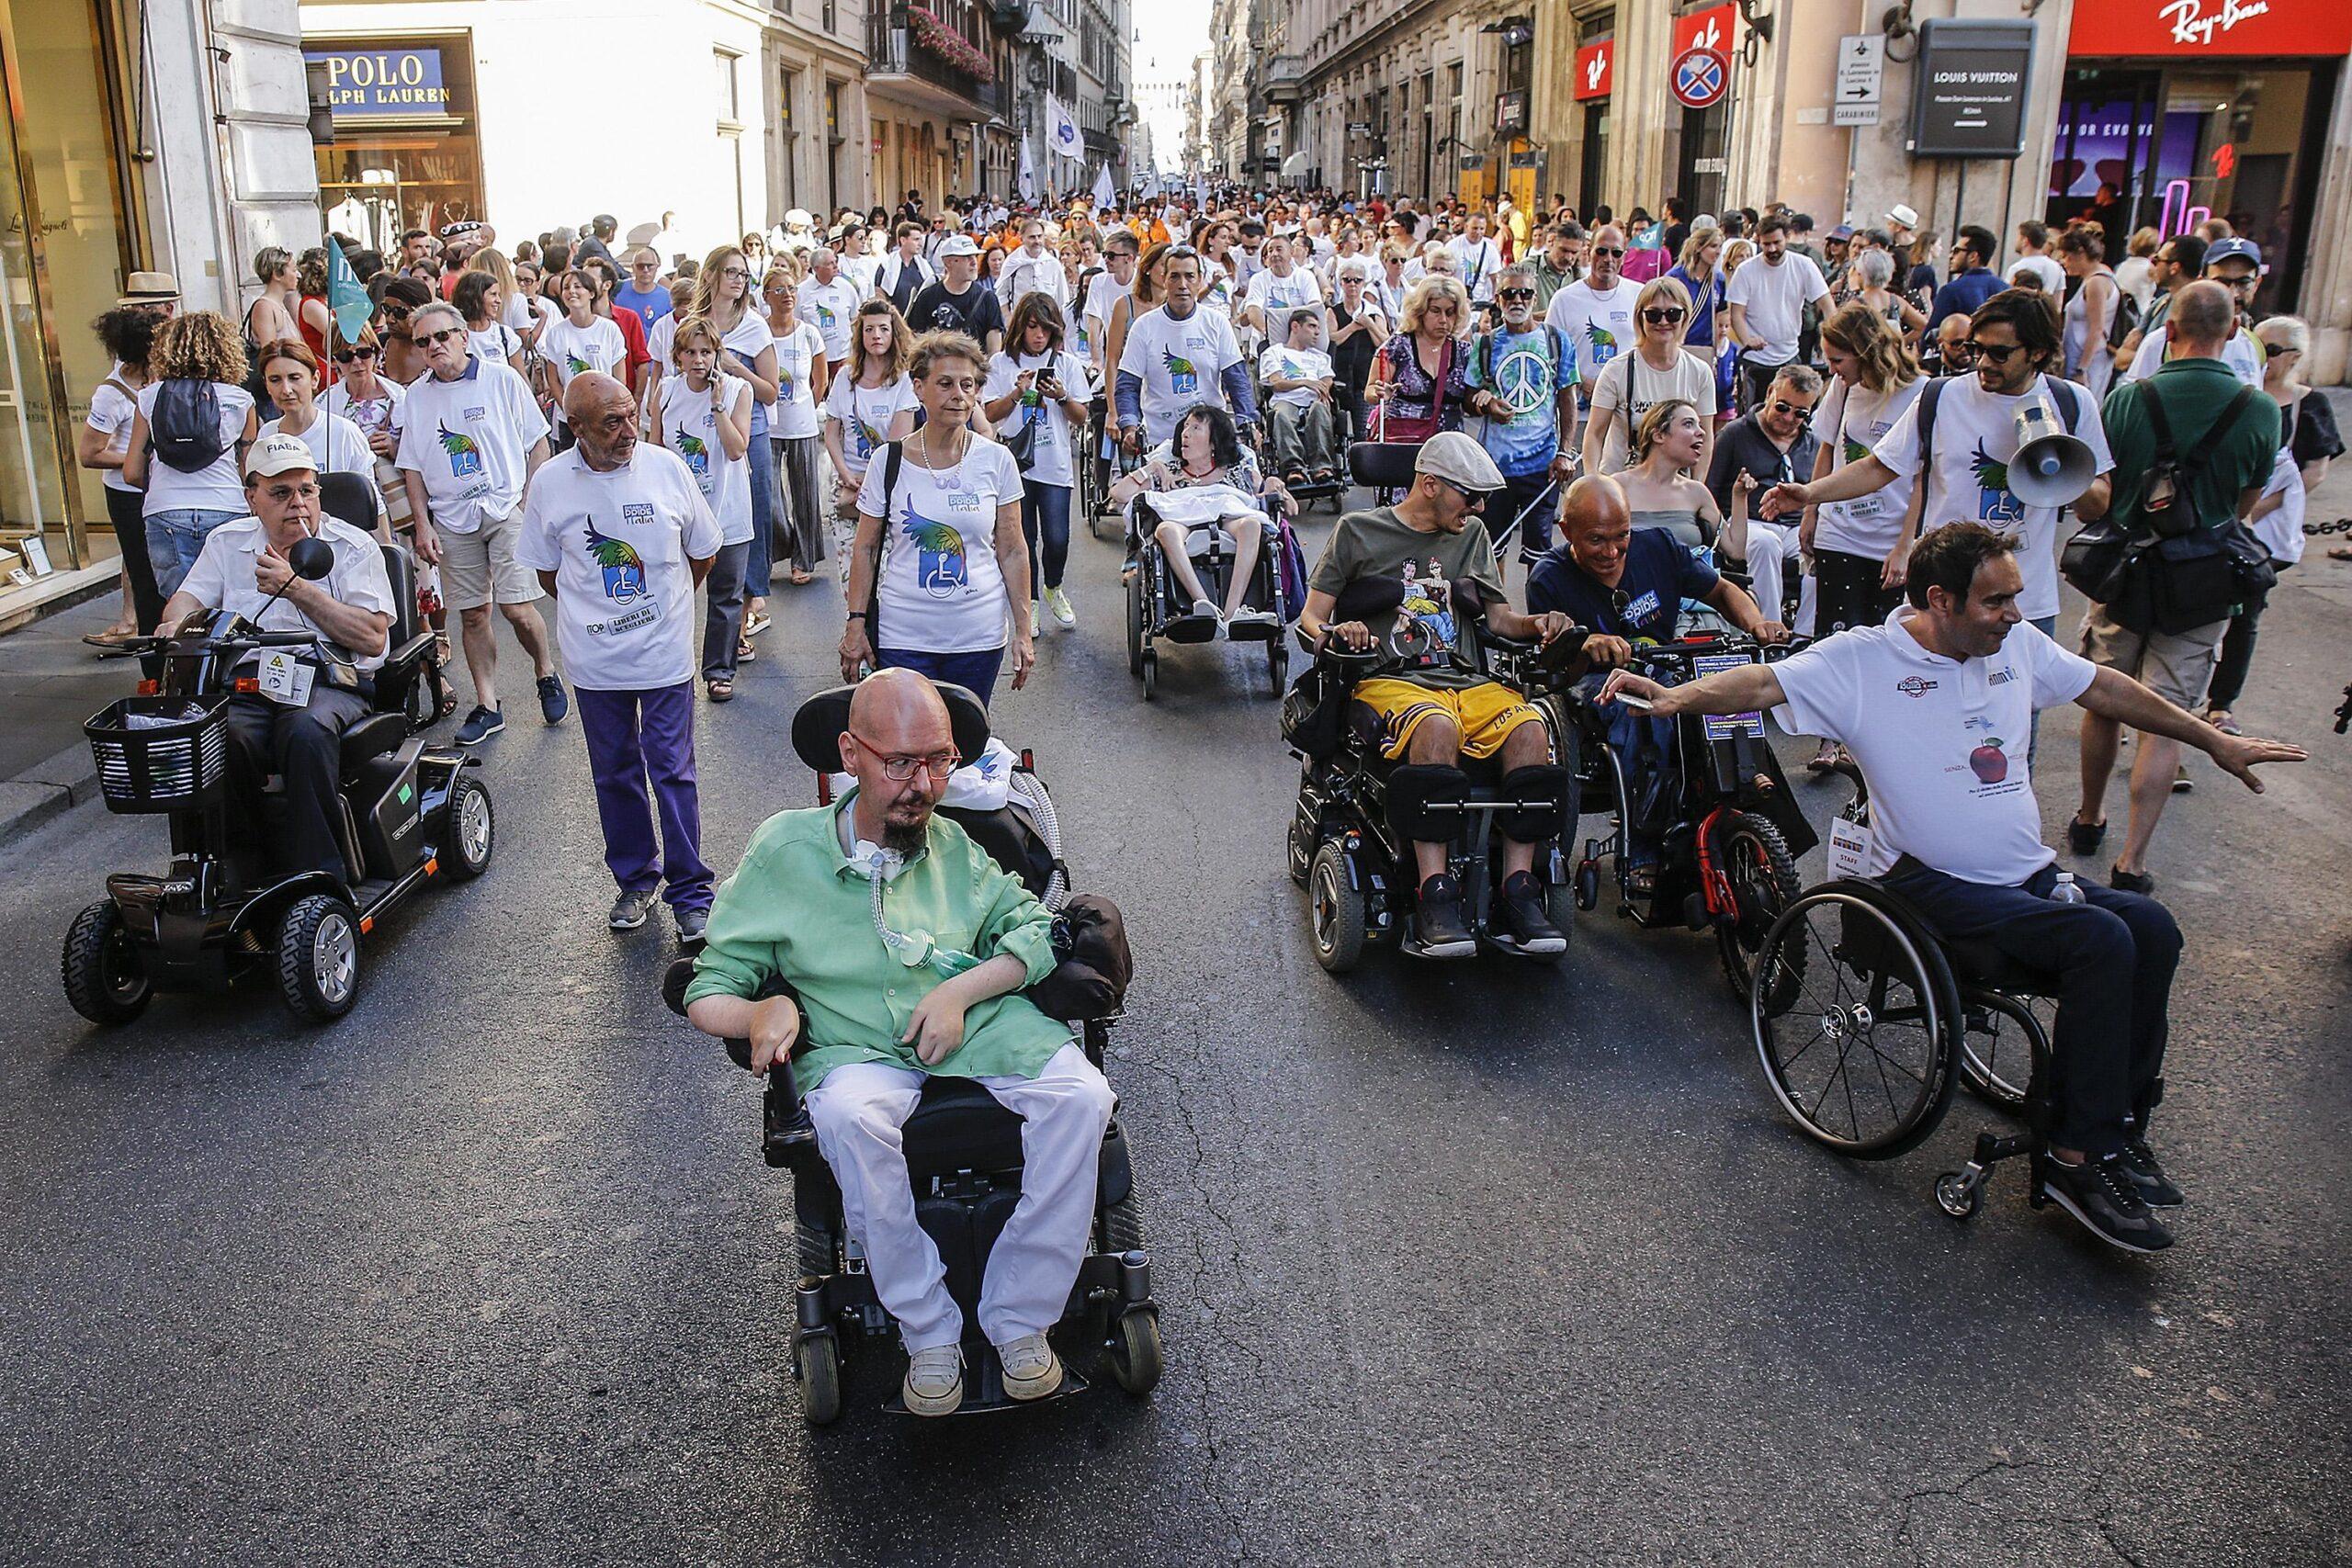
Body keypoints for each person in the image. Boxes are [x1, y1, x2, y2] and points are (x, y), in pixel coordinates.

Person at [1600, 521, 2305, 1253]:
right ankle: (2073, 1157)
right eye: (1997, 601)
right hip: (1928, 888)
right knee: (2102, 939)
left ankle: (2115, 1124)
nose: (2014, 613)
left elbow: (2106, 686)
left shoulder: (2016, 645)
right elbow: (1764, 681)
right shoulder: (1865, 661)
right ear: (1939, 599)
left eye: (2016, 598)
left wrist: (2211, 738)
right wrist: (1679, 696)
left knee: (2153, 928)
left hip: (2023, 874)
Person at [684, 668, 1115, 1416]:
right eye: (901, 763)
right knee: (851, 1119)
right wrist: (761, 1012)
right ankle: (930, 1332)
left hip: (976, 1028)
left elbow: (1035, 929)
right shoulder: (785, 851)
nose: (925, 783)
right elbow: (706, 986)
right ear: (850, 754)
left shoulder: (953, 848)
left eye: (940, 761)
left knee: (1084, 1096)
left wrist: (961, 990)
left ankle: (1019, 1320)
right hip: (854, 1044)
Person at [1295, 432, 1581, 957]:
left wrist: (1538, 622)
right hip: (1388, 680)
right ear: (1429, 485)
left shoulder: (1471, 535)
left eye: (1483, 499)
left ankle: (1518, 889)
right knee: (1435, 727)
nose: (1479, 507)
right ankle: (1435, 894)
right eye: (1470, 496)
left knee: (1530, 727)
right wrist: (1338, 634)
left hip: (1465, 679)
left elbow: (1499, 619)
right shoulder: (1357, 531)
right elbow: (1310, 618)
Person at [2072, 280, 2280, 893]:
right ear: (2234, 332)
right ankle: (2132, 860)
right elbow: (2245, 502)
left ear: (2169, 332)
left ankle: (2089, 818)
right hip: (2204, 579)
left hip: (2126, 572)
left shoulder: (2130, 398)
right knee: (2166, 715)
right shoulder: (2259, 408)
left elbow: (2103, 492)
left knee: (2106, 696)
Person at [1763, 288, 2113, 653]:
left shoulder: (2071, 403)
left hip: (2024, 603)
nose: (1983, 363)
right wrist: (1810, 494)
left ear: (2038, 352)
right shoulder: (1942, 396)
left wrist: (2063, 468)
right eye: (1976, 349)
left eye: (2000, 353)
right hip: (1941, 600)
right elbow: (1879, 466)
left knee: (2016, 709)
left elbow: (2096, 506)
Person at [518, 374, 720, 938]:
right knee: (615, 774)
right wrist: (598, 618)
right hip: (594, 662)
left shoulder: (666, 467)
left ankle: (691, 892)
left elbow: (702, 553)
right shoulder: (551, 482)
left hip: (664, 655)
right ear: (575, 428)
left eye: (631, 415)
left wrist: (668, 608)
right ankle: (636, 881)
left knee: (672, 769)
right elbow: (547, 572)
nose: (629, 430)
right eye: (612, 422)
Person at [1527, 473, 1785, 889]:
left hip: (1663, 668)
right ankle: (1647, 845)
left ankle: (1752, 813)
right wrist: (1584, 645)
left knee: (1725, 693)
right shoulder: (1549, 577)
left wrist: (1758, 624)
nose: (1612, 551)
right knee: (1640, 708)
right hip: (1593, 687)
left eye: (1621, 536)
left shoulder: (1659, 546)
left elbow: (1721, 591)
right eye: (1597, 540)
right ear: (1566, 530)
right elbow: (1554, 672)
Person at [153, 434, 393, 879]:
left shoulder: (353, 546)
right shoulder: (228, 542)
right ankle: (243, 862)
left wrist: (297, 589)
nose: (297, 504)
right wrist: (176, 623)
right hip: (249, 684)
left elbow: (373, 638)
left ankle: (321, 874)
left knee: (303, 733)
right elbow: (188, 598)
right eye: (280, 493)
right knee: (217, 737)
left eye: (306, 490)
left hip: (330, 682)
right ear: (252, 499)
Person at [395, 299, 564, 745]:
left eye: (441, 336)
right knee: (472, 615)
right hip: (451, 519)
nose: (434, 346)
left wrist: (528, 505)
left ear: (463, 337)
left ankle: (545, 669)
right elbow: (411, 465)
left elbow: (538, 444)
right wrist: (422, 525)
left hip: (505, 507)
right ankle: (488, 705)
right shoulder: (417, 395)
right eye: (423, 341)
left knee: (516, 609)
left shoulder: (502, 379)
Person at [839, 332, 1033, 703]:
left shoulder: (996, 460)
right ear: (918, 388)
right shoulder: (887, 461)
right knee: (906, 745)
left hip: (979, 638)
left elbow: (1013, 551)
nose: (958, 394)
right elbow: (864, 549)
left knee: (964, 748)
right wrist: (855, 624)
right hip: (904, 637)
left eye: (967, 384)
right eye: (944, 384)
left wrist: (1023, 631)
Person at [1106, 403, 1289, 640]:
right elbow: (1118, 494)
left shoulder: (1237, 471)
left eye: (1196, 428)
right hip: (1184, 521)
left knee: (1252, 525)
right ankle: (1203, 604)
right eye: (1185, 428)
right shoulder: (1168, 471)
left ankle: (1232, 612)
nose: (1186, 433)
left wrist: (1275, 484)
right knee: (1166, 530)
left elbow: (1285, 505)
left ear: (1214, 442)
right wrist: (1150, 467)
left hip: (1227, 519)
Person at [649, 315, 754, 704]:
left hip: (727, 509)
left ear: (716, 355)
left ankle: (719, 671)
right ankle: (668, 668)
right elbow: (655, 448)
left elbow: (736, 448)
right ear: (677, 357)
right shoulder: (665, 390)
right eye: (690, 352)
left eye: (706, 352)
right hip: (678, 512)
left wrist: (717, 406)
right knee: (671, 592)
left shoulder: (738, 390)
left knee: (725, 595)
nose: (698, 360)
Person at [122, 310, 260, 597]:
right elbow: (250, 470)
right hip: (227, 506)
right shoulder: (239, 399)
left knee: (180, 607)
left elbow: (131, 472)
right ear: (226, 349)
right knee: (230, 602)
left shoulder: (149, 397)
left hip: (165, 509)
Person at [687, 247, 781, 659]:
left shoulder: (754, 327)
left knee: (748, 523)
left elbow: (771, 391)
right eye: (731, 272)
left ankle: (741, 618)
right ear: (711, 276)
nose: (739, 280)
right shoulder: (694, 326)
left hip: (750, 433)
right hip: (699, 434)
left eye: (744, 274)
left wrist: (735, 367)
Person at [982, 295, 1091, 634]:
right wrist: (1017, 393)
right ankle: (1029, 601)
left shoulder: (1067, 363)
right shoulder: (1001, 363)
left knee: (1057, 538)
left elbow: (1082, 416)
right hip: (1015, 464)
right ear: (1020, 327)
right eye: (1032, 327)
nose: (1039, 336)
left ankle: (1054, 587)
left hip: (1055, 464)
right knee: (1022, 539)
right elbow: (988, 414)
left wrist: (1061, 395)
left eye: (1045, 328)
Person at [1462, 265, 1577, 565]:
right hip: (1495, 468)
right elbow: (1468, 397)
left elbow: (1567, 400)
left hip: (1543, 466)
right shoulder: (1485, 344)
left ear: (1535, 297)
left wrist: (1565, 452)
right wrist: (1485, 404)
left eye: (1525, 293)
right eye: (1509, 293)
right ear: (1498, 300)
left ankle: (1536, 612)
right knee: (1493, 548)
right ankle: (1498, 612)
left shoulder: (1557, 341)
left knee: (1540, 554)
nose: (1517, 300)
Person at [1705, 364, 1822, 614]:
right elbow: (1710, 489)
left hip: (1795, 527)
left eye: (1800, 413)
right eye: (1782, 407)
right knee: (1765, 543)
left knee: (1825, 544)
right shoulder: (1735, 434)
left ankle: (1806, 633)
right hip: (1748, 522)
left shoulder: (1813, 443)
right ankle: (1770, 627)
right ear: (1770, 392)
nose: (1789, 418)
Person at [1115, 245, 1255, 453]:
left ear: (1200, 279)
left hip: (1210, 438)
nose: (1182, 285)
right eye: (1175, 277)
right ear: (1164, 279)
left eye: (1189, 276)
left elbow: (1236, 378)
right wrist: (1129, 426)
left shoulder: (1217, 323)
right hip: (1162, 441)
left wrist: (1248, 421)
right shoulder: (1143, 327)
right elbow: (1127, 384)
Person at [78, 307, 164, 640]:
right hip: (127, 495)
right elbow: (89, 453)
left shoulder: (155, 378)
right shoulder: (111, 394)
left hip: (153, 488)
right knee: (145, 576)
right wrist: (137, 458)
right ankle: (150, 650)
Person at [823, 301, 921, 586]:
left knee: (886, 578)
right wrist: (844, 473)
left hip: (887, 485)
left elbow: (897, 443)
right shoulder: (845, 377)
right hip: (848, 486)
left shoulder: (903, 381)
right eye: (869, 329)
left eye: (883, 329)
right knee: (851, 575)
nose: (876, 335)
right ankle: (855, 629)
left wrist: (870, 480)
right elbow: (832, 434)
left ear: (893, 334)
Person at [1583, 275, 1715, 478]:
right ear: (1640, 318)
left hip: (1676, 488)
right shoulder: (1617, 369)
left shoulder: (1699, 372)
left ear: (1685, 317)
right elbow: (1594, 433)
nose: (1663, 322)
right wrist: (1593, 483)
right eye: (1653, 315)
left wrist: (1696, 489)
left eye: (1672, 314)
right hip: (1621, 484)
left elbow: (1705, 439)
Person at [257, 340, 380, 526]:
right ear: (266, 385)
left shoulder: (345, 432)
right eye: (275, 380)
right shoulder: (267, 435)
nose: (286, 389)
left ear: (314, 379)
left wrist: (385, 551)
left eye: (295, 378)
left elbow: (372, 501)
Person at [2119, 238, 2265, 388]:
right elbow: (2132, 401)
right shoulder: (2160, 342)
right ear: (2202, 280)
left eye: (2244, 283)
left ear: (2256, 284)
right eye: (2221, 282)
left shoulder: (2254, 347)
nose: (2233, 293)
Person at [1724, 216, 1831, 415]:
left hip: (1790, 354)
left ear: (1787, 238)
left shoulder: (1804, 265)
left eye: (1777, 243)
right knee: (1754, 416)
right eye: (1766, 244)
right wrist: (1748, 340)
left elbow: (1826, 304)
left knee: (1793, 414)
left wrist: (1829, 336)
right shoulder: (1746, 270)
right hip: (1755, 360)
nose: (1772, 249)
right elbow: (1736, 314)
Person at [763, 274, 830, 589]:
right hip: (768, 426)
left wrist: (805, 407)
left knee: (805, 494)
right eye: (779, 290)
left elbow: (821, 380)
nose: (787, 295)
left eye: (791, 289)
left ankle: (803, 559)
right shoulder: (758, 332)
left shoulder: (809, 334)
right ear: (766, 296)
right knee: (770, 495)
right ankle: (782, 545)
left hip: (801, 424)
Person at [1366, 276, 1472, 443]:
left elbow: (1472, 401)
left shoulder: (1464, 352)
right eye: (1435, 311)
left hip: (1448, 449)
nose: (1443, 320)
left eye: (1450, 313)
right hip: (1403, 443)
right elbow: (1370, 390)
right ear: (1421, 310)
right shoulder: (1398, 346)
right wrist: (1380, 393)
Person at [1543, 222, 1637, 405]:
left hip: (1625, 410)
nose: (1608, 259)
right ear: (1589, 251)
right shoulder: (1564, 299)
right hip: (1578, 411)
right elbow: (1549, 354)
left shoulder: (1639, 295)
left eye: (1616, 253)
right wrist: (1581, 380)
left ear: (1624, 257)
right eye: (1601, 251)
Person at [538, 270, 628, 449]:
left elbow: (619, 376)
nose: (571, 291)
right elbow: (554, 379)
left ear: (591, 293)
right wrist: (567, 408)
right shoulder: (556, 333)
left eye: (577, 287)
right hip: (570, 420)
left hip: (605, 416)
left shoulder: (609, 329)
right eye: (566, 287)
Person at [1258, 309, 1341, 489]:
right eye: (1312, 326)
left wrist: (1322, 389)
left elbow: (1327, 381)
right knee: (1280, 415)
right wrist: (1305, 382)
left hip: (1314, 400)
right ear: (1295, 326)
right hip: (1286, 399)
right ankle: (1294, 468)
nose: (1317, 332)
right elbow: (1276, 383)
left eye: (1319, 328)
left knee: (1319, 409)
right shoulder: (1274, 353)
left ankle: (1322, 467)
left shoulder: (1321, 357)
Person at [1325, 256, 1389, 446]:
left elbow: (1384, 342)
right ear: (1341, 282)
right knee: (1339, 423)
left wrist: (1369, 325)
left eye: (1357, 280)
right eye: (1347, 280)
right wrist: (1353, 327)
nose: (1352, 285)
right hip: (1340, 373)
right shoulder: (1333, 312)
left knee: (1363, 426)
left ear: (1363, 283)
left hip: (1365, 374)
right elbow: (1332, 339)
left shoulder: (1373, 311)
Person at [909, 234, 1007, 355]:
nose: (974, 262)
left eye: (975, 256)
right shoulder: (927, 298)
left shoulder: (988, 299)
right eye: (967, 257)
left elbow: (994, 351)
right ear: (949, 262)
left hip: (974, 372)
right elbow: (916, 342)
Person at [2058, 227, 2118, 399]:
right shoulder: (2098, 277)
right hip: (2083, 356)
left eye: (2066, 256)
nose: (2064, 262)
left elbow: (2096, 328)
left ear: (2081, 254)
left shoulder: (2096, 283)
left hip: (2085, 359)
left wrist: (2081, 368)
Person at [1239, 233, 1326, 351]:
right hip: (1267, 345)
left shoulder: (1305, 276)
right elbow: (1253, 309)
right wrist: (1267, 332)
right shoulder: (1259, 279)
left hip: (1299, 346)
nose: (1274, 254)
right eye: (1270, 251)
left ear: (1291, 252)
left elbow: (1314, 307)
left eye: (1279, 249)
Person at [797, 248, 864, 367]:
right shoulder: (801, 291)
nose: (835, 266)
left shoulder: (846, 287)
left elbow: (856, 319)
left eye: (835, 262)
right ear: (817, 268)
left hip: (844, 356)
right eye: (830, 263)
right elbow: (796, 323)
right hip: (813, 357)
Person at [1528, 222, 1585, 314]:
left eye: (1574, 253)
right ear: (1552, 242)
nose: (1568, 257)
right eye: (1564, 250)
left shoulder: (1578, 277)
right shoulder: (1529, 268)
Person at [612, 247, 673, 332]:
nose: (645, 270)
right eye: (640, 266)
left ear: (657, 266)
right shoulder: (618, 290)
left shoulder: (667, 297)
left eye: (650, 266)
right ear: (633, 267)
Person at [2010, 220, 2065, 298]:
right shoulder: (2057, 268)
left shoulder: (2017, 268)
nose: (2016, 241)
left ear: (2025, 241)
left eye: (2018, 238)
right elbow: (2058, 302)